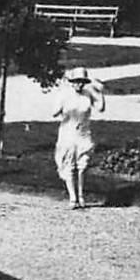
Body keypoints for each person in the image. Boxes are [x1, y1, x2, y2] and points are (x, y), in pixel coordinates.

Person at [51, 66, 105, 209]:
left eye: (81, 81)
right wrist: (60, 99)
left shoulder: (88, 94)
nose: (79, 84)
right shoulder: (64, 94)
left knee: (83, 165)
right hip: (68, 133)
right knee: (68, 165)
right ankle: (72, 197)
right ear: (71, 82)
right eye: (76, 81)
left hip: (83, 133)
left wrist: (100, 92)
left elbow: (100, 108)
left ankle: (81, 195)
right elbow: (54, 112)